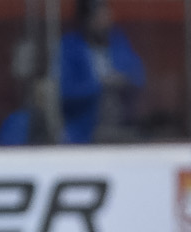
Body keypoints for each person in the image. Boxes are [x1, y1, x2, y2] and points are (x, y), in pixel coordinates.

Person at [59, 0, 145, 144]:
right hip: (84, 131)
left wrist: (124, 80)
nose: (106, 20)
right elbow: (66, 92)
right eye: (100, 16)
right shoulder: (70, 48)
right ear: (86, 19)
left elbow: (138, 76)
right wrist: (100, 85)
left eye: (107, 14)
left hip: (121, 126)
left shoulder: (118, 42)